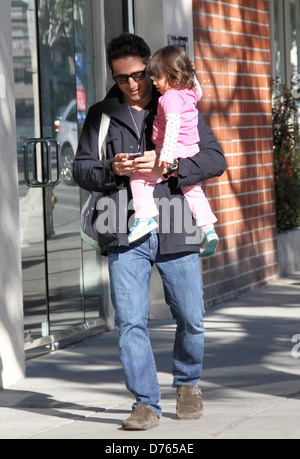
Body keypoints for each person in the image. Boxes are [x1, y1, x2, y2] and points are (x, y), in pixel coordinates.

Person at [73, 33, 226, 431]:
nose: (134, 85)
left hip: (176, 225)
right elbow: (81, 169)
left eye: (140, 75)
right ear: (113, 76)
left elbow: (214, 158)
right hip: (126, 230)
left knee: (191, 316)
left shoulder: (174, 99)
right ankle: (145, 403)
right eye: (123, 79)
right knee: (131, 322)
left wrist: (173, 166)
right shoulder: (101, 115)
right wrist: (113, 169)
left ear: (149, 66)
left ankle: (188, 383)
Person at [129, 45, 219, 258]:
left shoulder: (169, 98)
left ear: (172, 76)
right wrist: (191, 73)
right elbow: (200, 89)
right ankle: (208, 229)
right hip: (191, 148)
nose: (154, 82)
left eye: (158, 77)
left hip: (173, 147)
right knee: (193, 191)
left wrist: (166, 156)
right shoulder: (191, 93)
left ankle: (144, 218)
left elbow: (172, 124)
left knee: (139, 177)